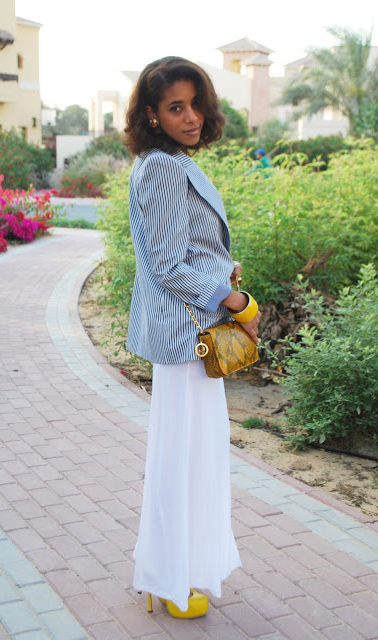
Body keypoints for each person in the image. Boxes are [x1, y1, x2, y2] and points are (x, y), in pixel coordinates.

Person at [124, 56, 261, 619]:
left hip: (192, 332)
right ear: (152, 115)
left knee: (191, 457)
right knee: (183, 460)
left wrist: (220, 268)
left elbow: (185, 250)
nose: (191, 117)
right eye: (176, 107)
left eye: (196, 104)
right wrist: (235, 300)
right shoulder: (160, 166)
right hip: (185, 336)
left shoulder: (173, 161)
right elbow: (165, 265)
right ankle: (167, 577)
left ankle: (172, 573)